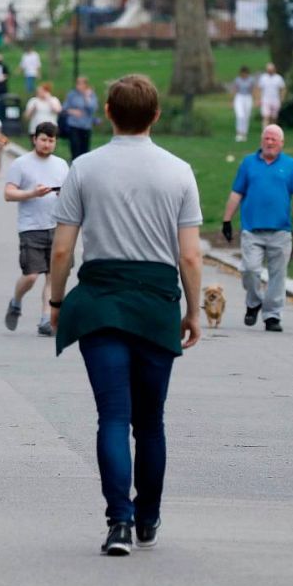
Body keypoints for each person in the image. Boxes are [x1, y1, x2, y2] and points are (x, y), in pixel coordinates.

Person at [47, 74, 203, 557]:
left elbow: (62, 250)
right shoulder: (179, 172)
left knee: (112, 416)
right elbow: (191, 257)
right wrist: (194, 311)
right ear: (155, 115)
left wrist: (57, 302)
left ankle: (119, 520)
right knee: (150, 421)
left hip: (101, 301)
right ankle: (149, 516)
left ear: (108, 112)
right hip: (156, 303)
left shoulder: (85, 168)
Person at [221, 124, 293, 332]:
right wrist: (227, 220)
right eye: (266, 138)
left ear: (281, 143)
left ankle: (272, 316)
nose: (269, 142)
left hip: (280, 231)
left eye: (274, 139)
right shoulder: (248, 163)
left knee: (278, 275)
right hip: (252, 229)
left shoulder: (292, 166)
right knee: (249, 269)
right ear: (261, 140)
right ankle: (253, 302)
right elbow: (236, 193)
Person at [2, 122, 68, 337]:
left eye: (51, 140)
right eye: (43, 139)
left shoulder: (61, 165)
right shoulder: (21, 164)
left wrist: (63, 196)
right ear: (34, 139)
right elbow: (9, 194)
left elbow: (70, 194)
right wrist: (32, 193)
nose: (47, 144)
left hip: (56, 225)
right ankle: (16, 301)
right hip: (31, 227)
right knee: (31, 276)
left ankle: (45, 319)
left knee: (52, 276)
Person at [63, 77, 99, 159]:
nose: (79, 85)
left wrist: (87, 97)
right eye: (78, 83)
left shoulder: (91, 94)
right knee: (75, 147)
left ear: (86, 85)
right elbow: (64, 108)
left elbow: (93, 109)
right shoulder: (72, 94)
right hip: (74, 125)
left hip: (86, 126)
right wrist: (72, 111)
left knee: (85, 150)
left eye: (81, 83)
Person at [229, 66, 257, 142]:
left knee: (246, 116)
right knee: (240, 115)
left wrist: (255, 100)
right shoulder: (237, 80)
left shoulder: (251, 80)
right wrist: (231, 101)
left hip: (248, 97)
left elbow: (253, 90)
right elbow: (234, 89)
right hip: (239, 97)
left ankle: (244, 133)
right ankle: (239, 133)